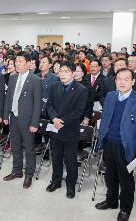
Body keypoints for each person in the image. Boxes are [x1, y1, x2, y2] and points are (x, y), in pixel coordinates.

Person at [95, 68, 136, 221]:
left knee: (126, 180)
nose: (122, 82)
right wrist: (101, 139)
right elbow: (105, 120)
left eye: (126, 79)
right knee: (110, 176)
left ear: (133, 82)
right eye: (119, 78)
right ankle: (111, 200)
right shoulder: (111, 96)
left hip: (127, 147)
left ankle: (125, 208)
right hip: (109, 143)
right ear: (115, 81)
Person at [46, 60, 88, 199]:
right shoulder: (54, 86)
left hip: (70, 130)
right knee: (56, 157)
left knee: (70, 161)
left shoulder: (81, 89)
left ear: (73, 73)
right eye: (61, 71)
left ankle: (70, 185)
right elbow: (49, 106)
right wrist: (54, 119)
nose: (62, 74)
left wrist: (62, 121)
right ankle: (56, 181)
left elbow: (79, 111)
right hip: (55, 128)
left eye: (66, 71)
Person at [3, 51, 42, 189]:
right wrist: (5, 115)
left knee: (29, 149)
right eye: (16, 62)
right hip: (13, 118)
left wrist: (34, 123)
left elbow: (38, 104)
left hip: (28, 120)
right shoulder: (13, 78)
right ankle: (17, 171)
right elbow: (8, 98)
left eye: (20, 62)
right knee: (16, 146)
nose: (16, 64)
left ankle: (29, 175)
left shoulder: (36, 80)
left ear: (28, 63)